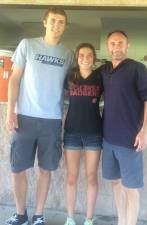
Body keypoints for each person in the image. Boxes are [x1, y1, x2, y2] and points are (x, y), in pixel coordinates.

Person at [6, 7, 74, 225]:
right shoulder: (27, 44)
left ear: (65, 26)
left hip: (52, 121)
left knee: (45, 170)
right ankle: (20, 214)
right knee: (18, 170)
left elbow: (70, 86)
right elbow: (14, 79)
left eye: (61, 22)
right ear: (45, 22)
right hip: (24, 117)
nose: (57, 25)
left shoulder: (68, 54)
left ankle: (38, 215)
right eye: (53, 20)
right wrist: (10, 112)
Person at [98, 30, 147, 225]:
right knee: (115, 183)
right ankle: (121, 221)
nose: (116, 47)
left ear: (127, 45)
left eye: (120, 43)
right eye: (113, 43)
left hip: (130, 140)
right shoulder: (105, 70)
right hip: (108, 140)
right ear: (108, 46)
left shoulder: (137, 68)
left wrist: (145, 131)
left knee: (131, 188)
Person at [63, 43, 103, 225]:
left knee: (91, 177)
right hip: (72, 133)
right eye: (81, 55)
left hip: (94, 133)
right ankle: (70, 218)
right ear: (77, 58)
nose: (85, 59)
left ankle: (89, 219)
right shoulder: (70, 76)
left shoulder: (100, 77)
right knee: (71, 178)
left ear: (94, 58)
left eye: (89, 55)